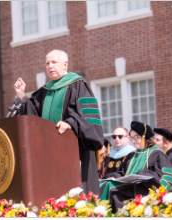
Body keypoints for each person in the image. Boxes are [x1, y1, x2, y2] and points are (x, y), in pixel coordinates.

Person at [13, 49, 104, 195]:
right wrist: (22, 96)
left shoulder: (78, 85)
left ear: (65, 64)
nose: (50, 66)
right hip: (49, 154)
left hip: (75, 152)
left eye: (54, 62)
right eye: (47, 63)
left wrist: (71, 123)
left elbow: (89, 120)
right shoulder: (44, 91)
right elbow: (33, 118)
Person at [99, 121, 172, 212]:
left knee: (111, 187)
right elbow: (123, 172)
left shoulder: (157, 154)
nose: (133, 141)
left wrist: (143, 174)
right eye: (132, 138)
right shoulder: (132, 155)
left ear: (144, 137)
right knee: (103, 184)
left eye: (136, 137)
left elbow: (167, 178)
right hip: (129, 187)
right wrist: (112, 176)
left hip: (145, 190)